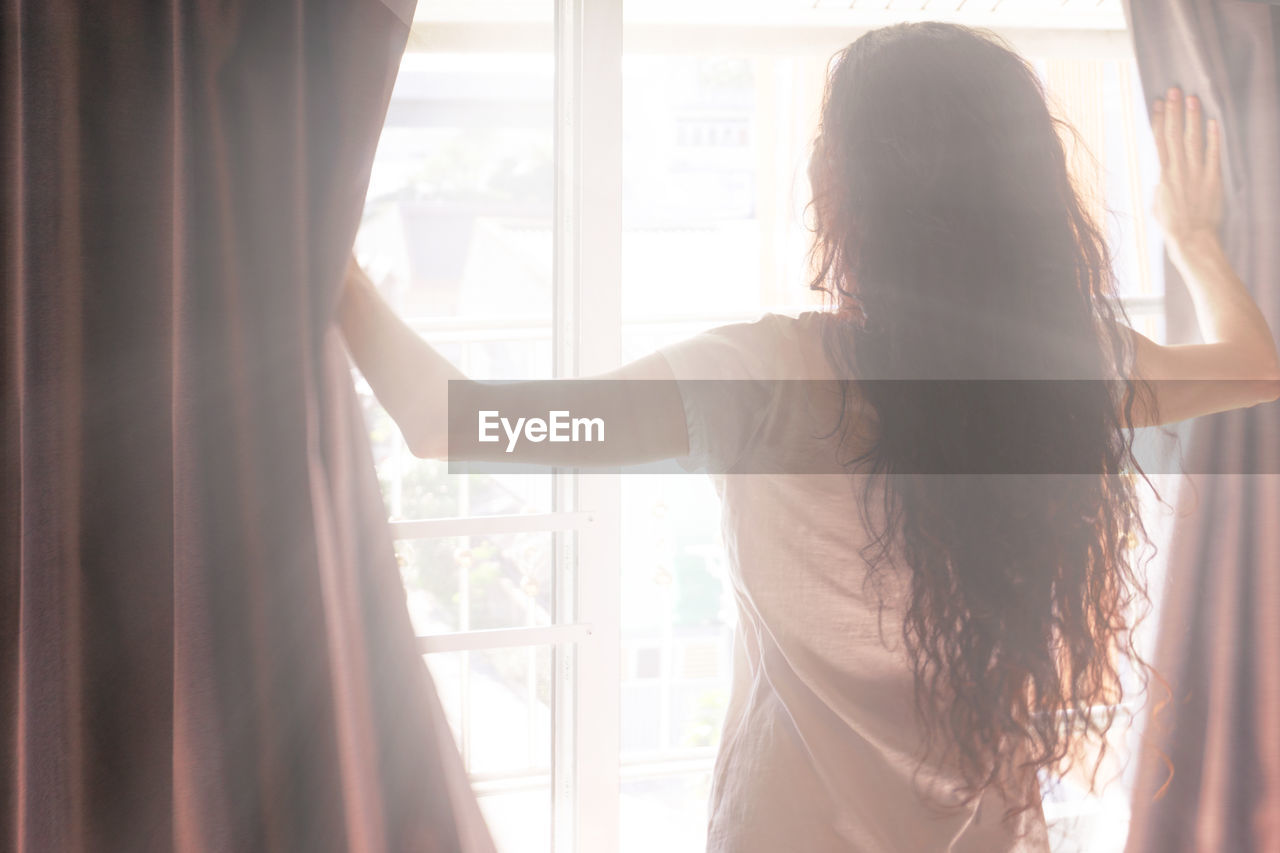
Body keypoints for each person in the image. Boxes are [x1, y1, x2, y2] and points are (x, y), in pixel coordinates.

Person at [338, 23, 1279, 853]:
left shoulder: (765, 379)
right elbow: (1255, 367)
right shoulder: (1069, 375)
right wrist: (1194, 238)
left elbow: (457, 422)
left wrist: (328, 260)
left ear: (842, 188)